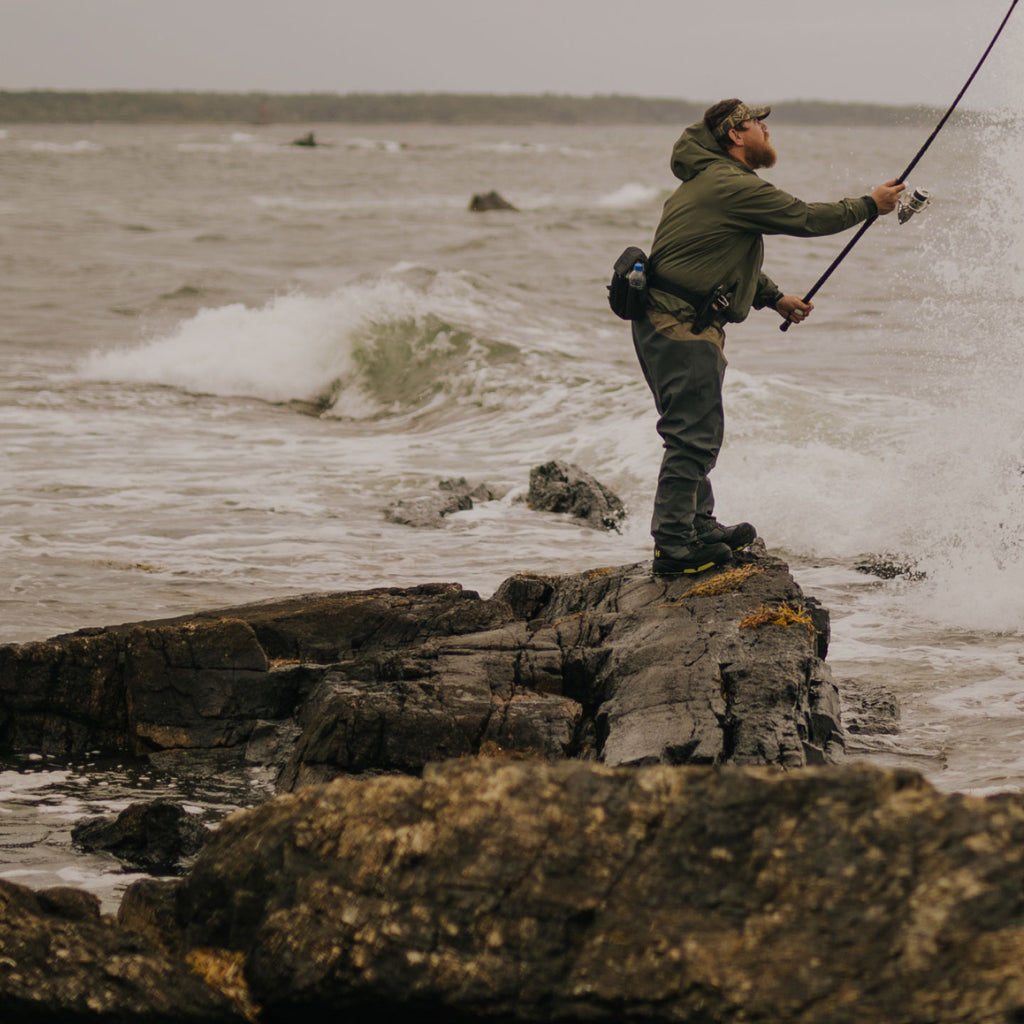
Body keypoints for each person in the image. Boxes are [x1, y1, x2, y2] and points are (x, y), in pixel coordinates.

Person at [634, 98, 904, 575]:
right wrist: (870, 205)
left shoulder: (710, 182)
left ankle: (697, 524)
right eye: (758, 123)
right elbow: (804, 218)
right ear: (736, 135)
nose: (766, 130)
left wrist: (775, 298)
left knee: (696, 431)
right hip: (680, 327)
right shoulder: (729, 184)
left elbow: (715, 259)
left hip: (669, 322)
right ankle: (675, 547)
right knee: (692, 438)